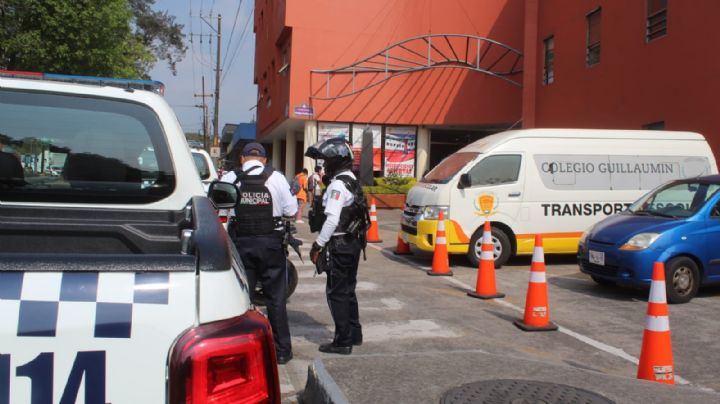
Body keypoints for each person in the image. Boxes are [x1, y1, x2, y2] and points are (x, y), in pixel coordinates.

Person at [220, 142, 297, 364]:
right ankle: (282, 351)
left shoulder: (230, 178)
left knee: (241, 301)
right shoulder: (277, 177)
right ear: (264, 160)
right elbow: (291, 211)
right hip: (271, 245)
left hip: (241, 245)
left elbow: (218, 206)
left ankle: (240, 352)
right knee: (276, 300)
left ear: (242, 159)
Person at [306, 138, 369, 355]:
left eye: (326, 161)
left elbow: (332, 220)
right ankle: (354, 333)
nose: (324, 165)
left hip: (340, 244)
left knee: (336, 293)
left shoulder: (337, 185)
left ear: (336, 160)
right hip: (352, 244)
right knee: (348, 290)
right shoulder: (351, 180)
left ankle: (342, 341)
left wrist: (318, 245)